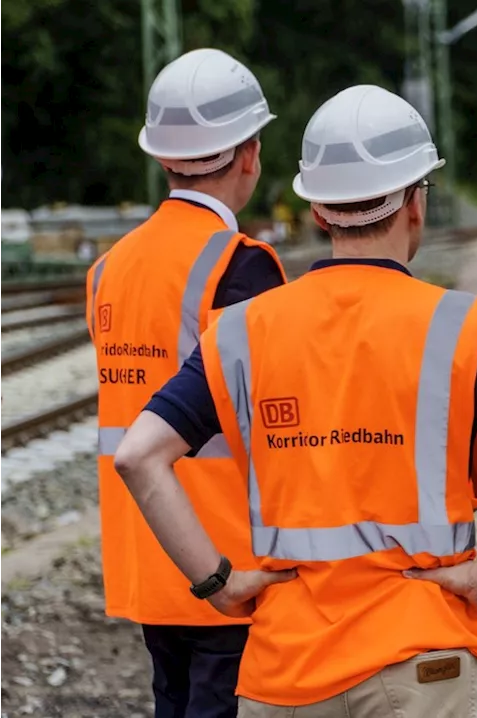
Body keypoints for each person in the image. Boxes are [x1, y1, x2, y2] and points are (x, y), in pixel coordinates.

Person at [112, 84, 477, 717]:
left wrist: (219, 584)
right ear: (416, 202)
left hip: (287, 669)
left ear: (320, 212)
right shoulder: (461, 327)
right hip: (421, 659)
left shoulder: (244, 331)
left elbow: (139, 456)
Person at [86, 47, 285, 718]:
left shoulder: (108, 269)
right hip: (227, 564)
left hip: (148, 557)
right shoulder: (241, 266)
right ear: (250, 154)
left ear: (161, 157)